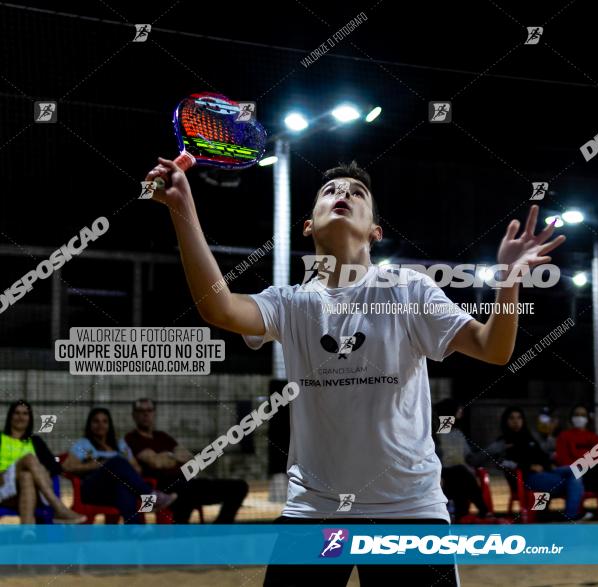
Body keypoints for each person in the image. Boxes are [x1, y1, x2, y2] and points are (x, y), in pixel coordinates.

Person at [144, 156, 565, 587]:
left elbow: (493, 349)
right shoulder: (289, 303)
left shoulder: (408, 289)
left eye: (356, 193)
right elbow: (219, 307)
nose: (342, 194)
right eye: (330, 191)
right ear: (308, 225)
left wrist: (509, 281)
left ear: (375, 232)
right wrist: (182, 211)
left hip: (408, 511)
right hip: (315, 510)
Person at [124, 398, 249, 523]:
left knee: (239, 487)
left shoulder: (162, 436)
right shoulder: (131, 438)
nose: (146, 414)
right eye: (141, 411)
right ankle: (180, 537)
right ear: (134, 415)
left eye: (149, 410)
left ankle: (218, 531)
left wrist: (166, 456)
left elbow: (189, 458)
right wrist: (173, 456)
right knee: (185, 493)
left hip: (188, 483)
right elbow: (155, 462)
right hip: (160, 491)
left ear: (154, 413)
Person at [62, 407, 176, 524]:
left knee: (123, 486)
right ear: (90, 424)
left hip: (113, 492)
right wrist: (97, 465)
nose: (100, 425)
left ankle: (135, 530)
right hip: (91, 490)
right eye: (96, 421)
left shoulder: (120, 445)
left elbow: (137, 469)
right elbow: (67, 467)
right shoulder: (83, 444)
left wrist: (123, 469)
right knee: (117, 462)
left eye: (104, 421)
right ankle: (151, 495)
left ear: (109, 425)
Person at [486, 406, 587, 522]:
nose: (516, 421)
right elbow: (501, 463)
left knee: (575, 471)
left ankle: (563, 513)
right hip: (528, 477)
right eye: (512, 418)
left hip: (545, 471)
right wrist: (527, 466)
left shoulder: (529, 437)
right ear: (506, 421)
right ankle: (570, 515)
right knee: (573, 483)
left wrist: (549, 463)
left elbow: (542, 455)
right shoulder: (503, 442)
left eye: (519, 418)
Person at [0, 400, 85, 524]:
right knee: (29, 458)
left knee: (27, 476)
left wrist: (44, 472)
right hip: (3, 487)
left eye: (25, 413)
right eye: (16, 413)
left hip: (29, 492)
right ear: (10, 416)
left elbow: (55, 467)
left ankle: (27, 531)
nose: (20, 417)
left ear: (30, 418)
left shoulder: (36, 441)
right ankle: (58, 507)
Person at [432, 399, 490, 521]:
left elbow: (471, 459)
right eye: (458, 408)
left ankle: (462, 517)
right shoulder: (435, 436)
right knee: (460, 471)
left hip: (461, 480)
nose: (461, 411)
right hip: (442, 479)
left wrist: (491, 450)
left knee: (461, 475)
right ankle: (484, 510)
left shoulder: (457, 433)